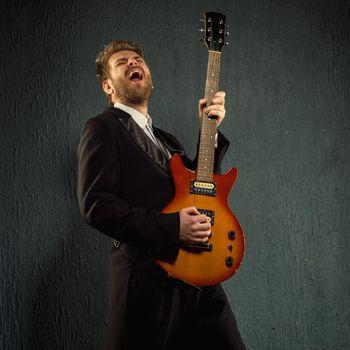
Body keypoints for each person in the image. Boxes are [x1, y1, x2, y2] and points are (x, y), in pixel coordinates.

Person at [77, 40, 246, 350]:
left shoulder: (165, 139)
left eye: (137, 59)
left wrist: (209, 130)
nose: (132, 63)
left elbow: (199, 189)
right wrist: (173, 228)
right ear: (108, 87)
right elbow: (95, 205)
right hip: (148, 281)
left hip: (200, 274)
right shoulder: (102, 128)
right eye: (121, 62)